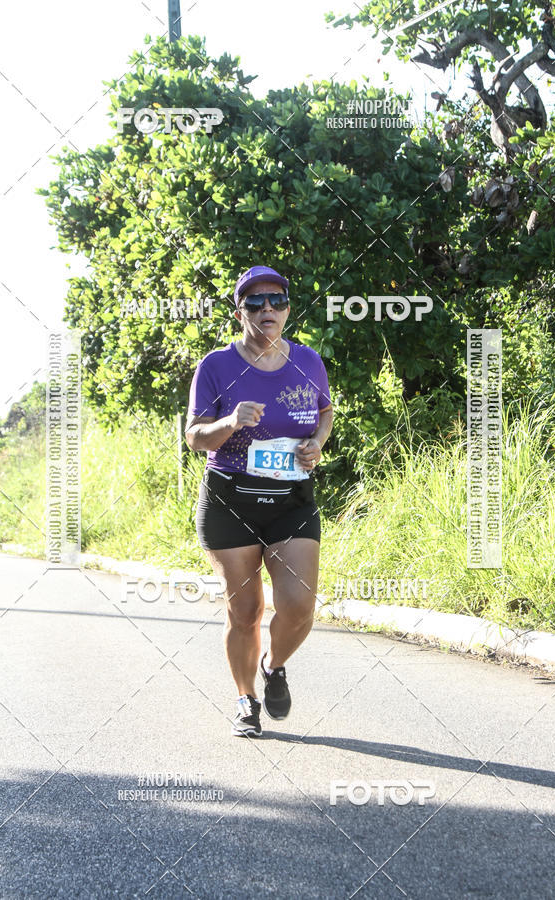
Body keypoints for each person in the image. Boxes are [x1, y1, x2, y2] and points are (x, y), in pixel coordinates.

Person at [185, 265, 334, 737]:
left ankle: (274, 665)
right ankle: (245, 699)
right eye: (254, 302)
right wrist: (229, 422)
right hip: (231, 499)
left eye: (276, 300)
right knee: (245, 610)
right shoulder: (216, 366)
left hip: (290, 498)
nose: (266, 308)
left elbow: (325, 411)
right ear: (239, 313)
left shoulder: (308, 361)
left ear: (287, 309)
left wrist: (318, 442)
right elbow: (194, 437)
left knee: (299, 607)